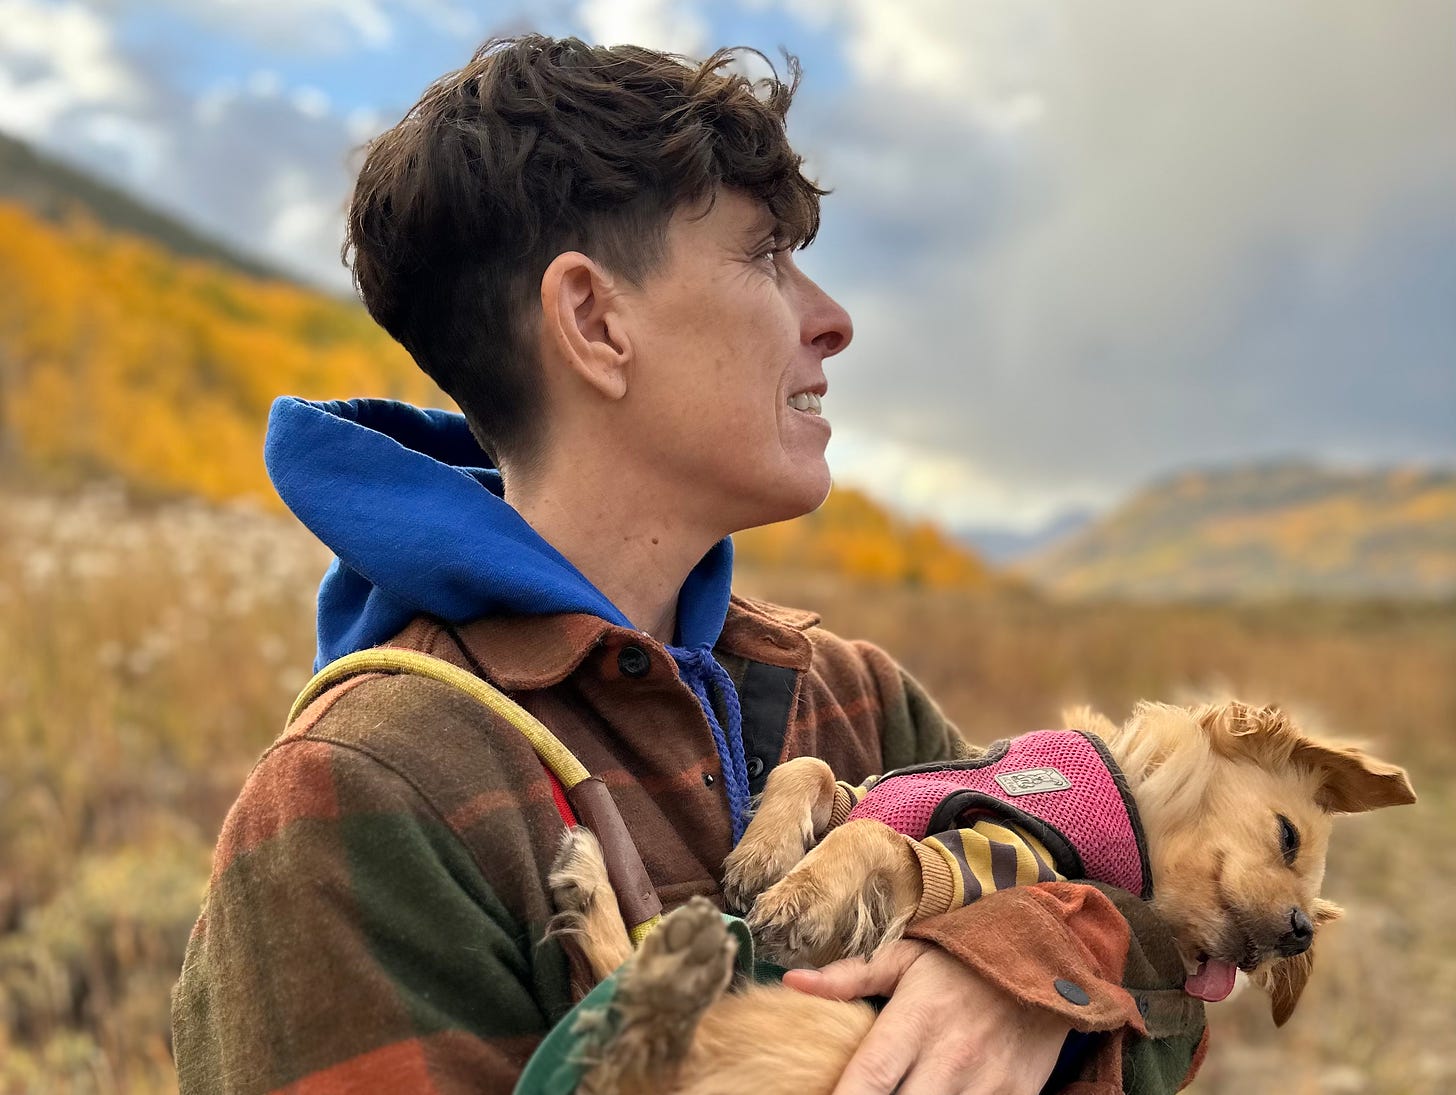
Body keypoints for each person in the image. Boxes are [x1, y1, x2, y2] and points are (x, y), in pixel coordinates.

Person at [172, 35, 1205, 1095]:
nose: (832, 320)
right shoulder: (366, 792)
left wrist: (1013, 970)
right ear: (593, 321)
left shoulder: (851, 700)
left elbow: (1184, 953)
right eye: (763, 254)